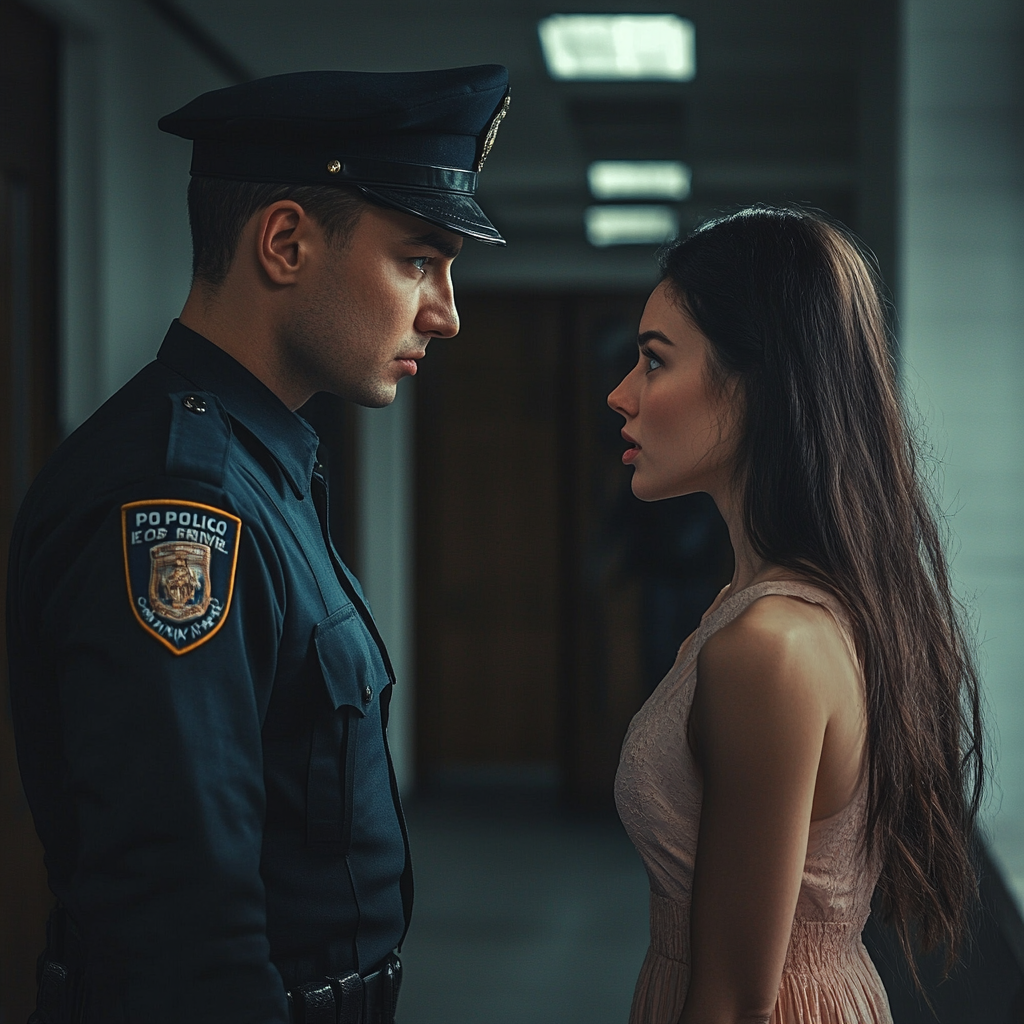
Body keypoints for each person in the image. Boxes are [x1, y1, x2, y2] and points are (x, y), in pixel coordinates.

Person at [6, 65, 510, 1024]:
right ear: (284, 243)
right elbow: (182, 921)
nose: (446, 310)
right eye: (418, 259)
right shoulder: (180, 495)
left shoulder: (256, 463)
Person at [608, 207, 984, 1024]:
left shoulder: (769, 645)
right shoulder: (770, 609)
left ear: (759, 384)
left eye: (654, 361)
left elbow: (736, 1001)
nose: (622, 394)